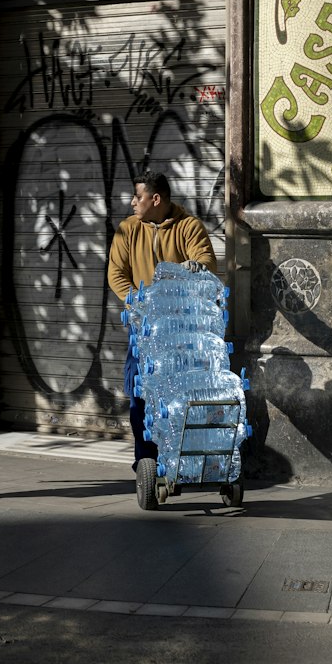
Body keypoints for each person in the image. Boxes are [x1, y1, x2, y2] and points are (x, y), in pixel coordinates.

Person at [107, 171, 217, 480]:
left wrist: (196, 267)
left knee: (183, 394)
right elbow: (116, 274)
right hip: (143, 328)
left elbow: (206, 259)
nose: (132, 203)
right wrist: (138, 304)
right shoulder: (127, 230)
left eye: (137, 197)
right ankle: (146, 462)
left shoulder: (188, 227)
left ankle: (185, 458)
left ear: (156, 199)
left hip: (184, 331)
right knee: (140, 393)